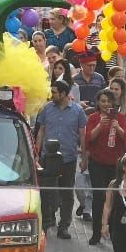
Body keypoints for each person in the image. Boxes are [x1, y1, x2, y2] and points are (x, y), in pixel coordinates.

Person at [35, 80, 87, 239]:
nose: (52, 95)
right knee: (46, 192)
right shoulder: (46, 109)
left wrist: (84, 157)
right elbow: (41, 131)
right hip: (48, 158)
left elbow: (82, 135)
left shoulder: (78, 111)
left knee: (66, 193)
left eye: (55, 92)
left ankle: (64, 225)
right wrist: (36, 153)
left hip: (68, 158)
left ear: (64, 93)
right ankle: (46, 222)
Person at [83, 89, 126, 245]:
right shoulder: (93, 117)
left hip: (115, 165)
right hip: (97, 163)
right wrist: (99, 126)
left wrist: (118, 128)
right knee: (99, 198)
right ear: (98, 102)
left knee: (114, 197)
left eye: (108, 101)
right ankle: (96, 232)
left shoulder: (121, 117)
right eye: (102, 101)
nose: (105, 104)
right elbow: (87, 139)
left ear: (113, 103)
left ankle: (113, 230)